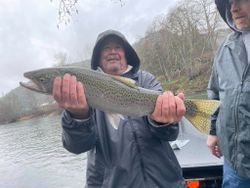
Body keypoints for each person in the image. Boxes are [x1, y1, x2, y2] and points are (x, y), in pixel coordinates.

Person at [52, 29, 186, 188]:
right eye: (106, 48)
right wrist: (78, 116)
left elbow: (169, 134)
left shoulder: (146, 80)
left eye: (118, 47)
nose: (112, 52)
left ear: (126, 53)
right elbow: (77, 146)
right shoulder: (84, 89)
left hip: (165, 182)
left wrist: (162, 121)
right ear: (98, 58)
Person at [207, 0, 250, 187]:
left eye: (240, 0)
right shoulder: (225, 48)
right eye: (230, 3)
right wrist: (213, 131)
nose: (233, 8)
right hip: (234, 162)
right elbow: (215, 93)